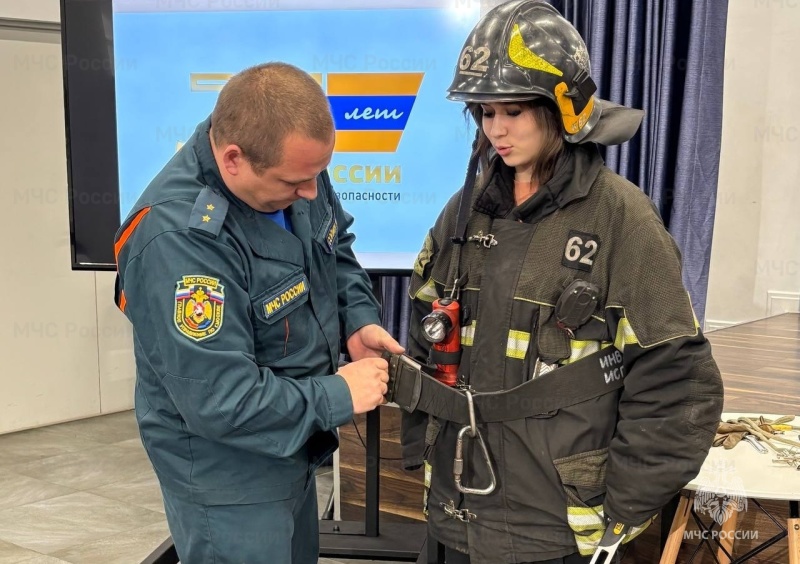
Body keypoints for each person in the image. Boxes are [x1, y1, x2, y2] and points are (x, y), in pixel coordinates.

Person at [399, 2, 724, 563]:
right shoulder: (466, 211)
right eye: (484, 112)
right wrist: (418, 442)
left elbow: (678, 381)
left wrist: (622, 508)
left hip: (556, 531)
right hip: (457, 513)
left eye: (514, 110)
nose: (495, 129)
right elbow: (424, 334)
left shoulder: (620, 219)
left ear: (562, 108)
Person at [113, 62, 404, 563]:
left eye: (317, 175)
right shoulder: (181, 240)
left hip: (292, 441)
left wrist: (358, 319)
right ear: (233, 160)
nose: (311, 192)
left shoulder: (295, 165)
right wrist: (339, 393)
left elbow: (335, 248)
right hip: (227, 476)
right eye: (296, 182)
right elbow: (222, 400)